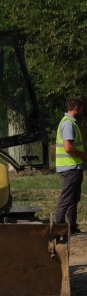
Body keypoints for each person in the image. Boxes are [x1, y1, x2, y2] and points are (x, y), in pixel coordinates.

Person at [55, 97, 87, 235]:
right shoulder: (68, 124)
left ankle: (71, 227)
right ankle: (59, 227)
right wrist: (83, 155)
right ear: (76, 108)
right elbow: (68, 148)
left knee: (73, 198)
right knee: (67, 198)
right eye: (81, 109)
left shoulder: (71, 122)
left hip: (74, 166)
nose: (82, 111)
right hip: (70, 166)